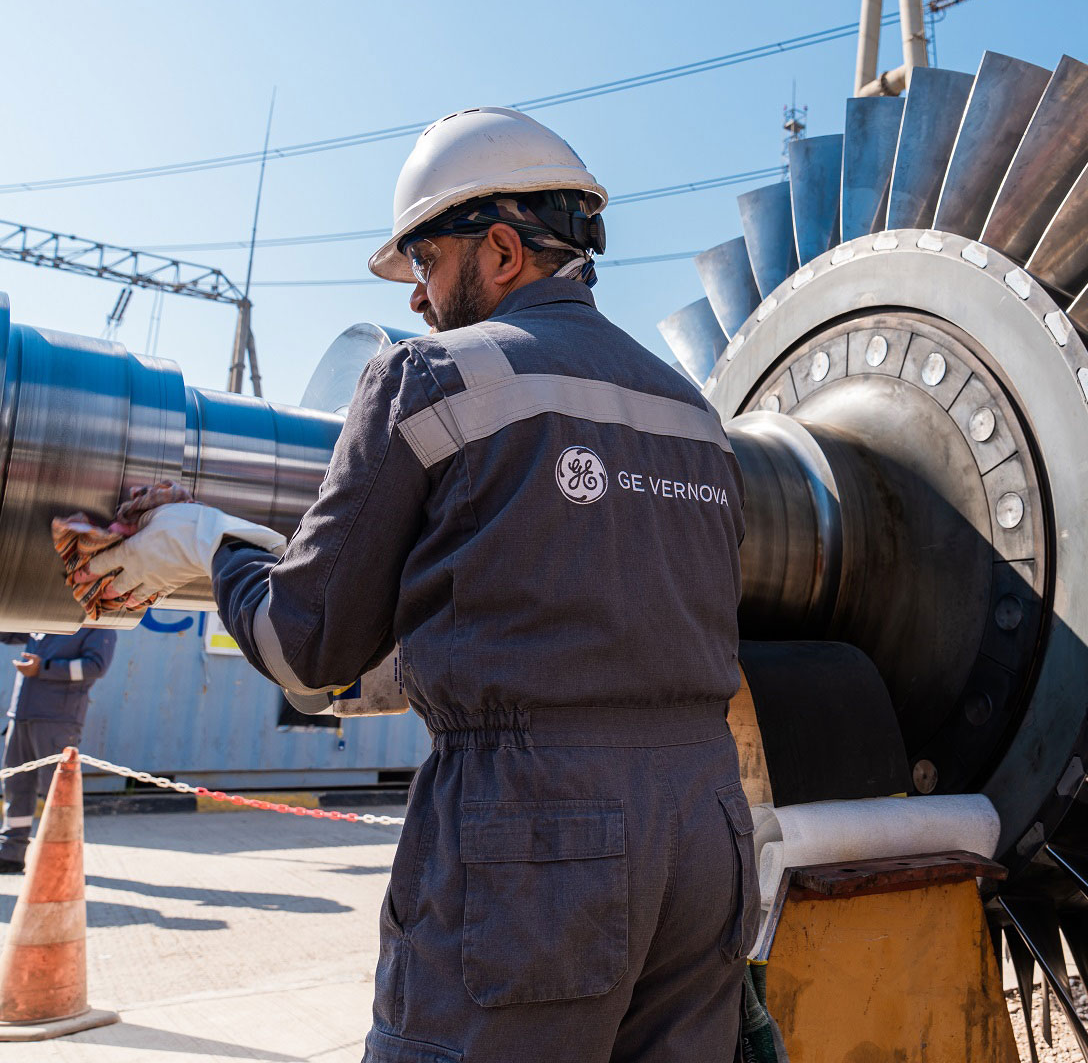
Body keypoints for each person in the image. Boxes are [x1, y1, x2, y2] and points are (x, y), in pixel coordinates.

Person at [83, 107, 752, 1062]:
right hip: (709, 836)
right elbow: (584, 612)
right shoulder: (695, 416)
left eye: (427, 263)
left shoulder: (431, 378)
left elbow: (306, 651)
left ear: (504, 250)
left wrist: (210, 541)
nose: (418, 300)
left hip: (537, 838)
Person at [0, 628, 116, 872]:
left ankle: (61, 863)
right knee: (16, 786)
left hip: (57, 720)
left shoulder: (97, 625)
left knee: (57, 793)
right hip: (21, 715)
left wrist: (44, 668)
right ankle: (10, 853)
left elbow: (96, 667)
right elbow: (8, 632)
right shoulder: (46, 618)